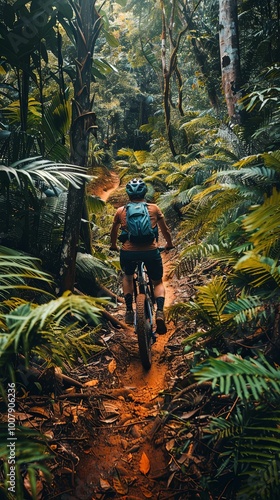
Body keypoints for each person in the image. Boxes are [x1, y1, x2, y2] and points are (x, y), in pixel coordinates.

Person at [109, 178, 174, 334]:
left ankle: (130, 310)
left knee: (128, 277)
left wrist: (113, 245)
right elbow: (165, 231)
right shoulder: (154, 209)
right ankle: (159, 311)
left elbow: (113, 232)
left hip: (128, 252)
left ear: (128, 194)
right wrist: (169, 244)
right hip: (151, 251)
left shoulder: (121, 211)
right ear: (145, 192)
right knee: (157, 281)